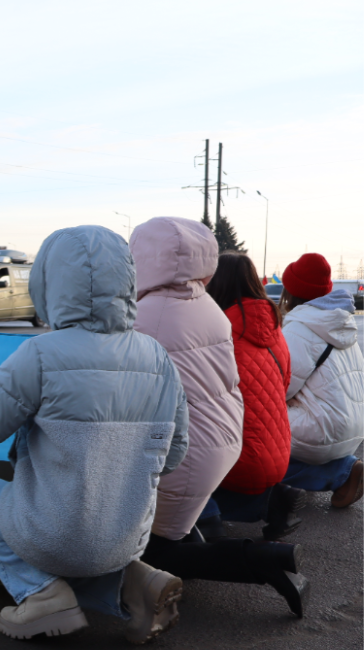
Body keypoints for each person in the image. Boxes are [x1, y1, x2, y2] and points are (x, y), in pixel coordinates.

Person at [0, 225, 189, 644]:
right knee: (87, 532)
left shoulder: (40, 354)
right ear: (127, 280)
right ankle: (131, 580)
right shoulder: (158, 357)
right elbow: (174, 455)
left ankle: (41, 593)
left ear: (47, 283)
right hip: (130, 537)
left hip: (53, 537)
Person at [130, 218, 308, 617]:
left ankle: (261, 560)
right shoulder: (208, 308)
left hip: (182, 455)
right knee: (174, 534)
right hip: (221, 444)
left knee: (147, 553)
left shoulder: (146, 316)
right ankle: (216, 529)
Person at [199, 252, 305, 542]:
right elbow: (284, 384)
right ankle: (272, 500)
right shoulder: (275, 329)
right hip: (281, 450)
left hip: (242, 456)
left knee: (179, 468)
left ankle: (205, 522)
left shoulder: (219, 332)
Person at [278, 253, 364, 507]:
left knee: (252, 432)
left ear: (290, 292)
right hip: (353, 427)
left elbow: (280, 389)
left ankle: (341, 474)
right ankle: (343, 467)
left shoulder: (298, 328)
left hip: (323, 431)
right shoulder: (342, 323)